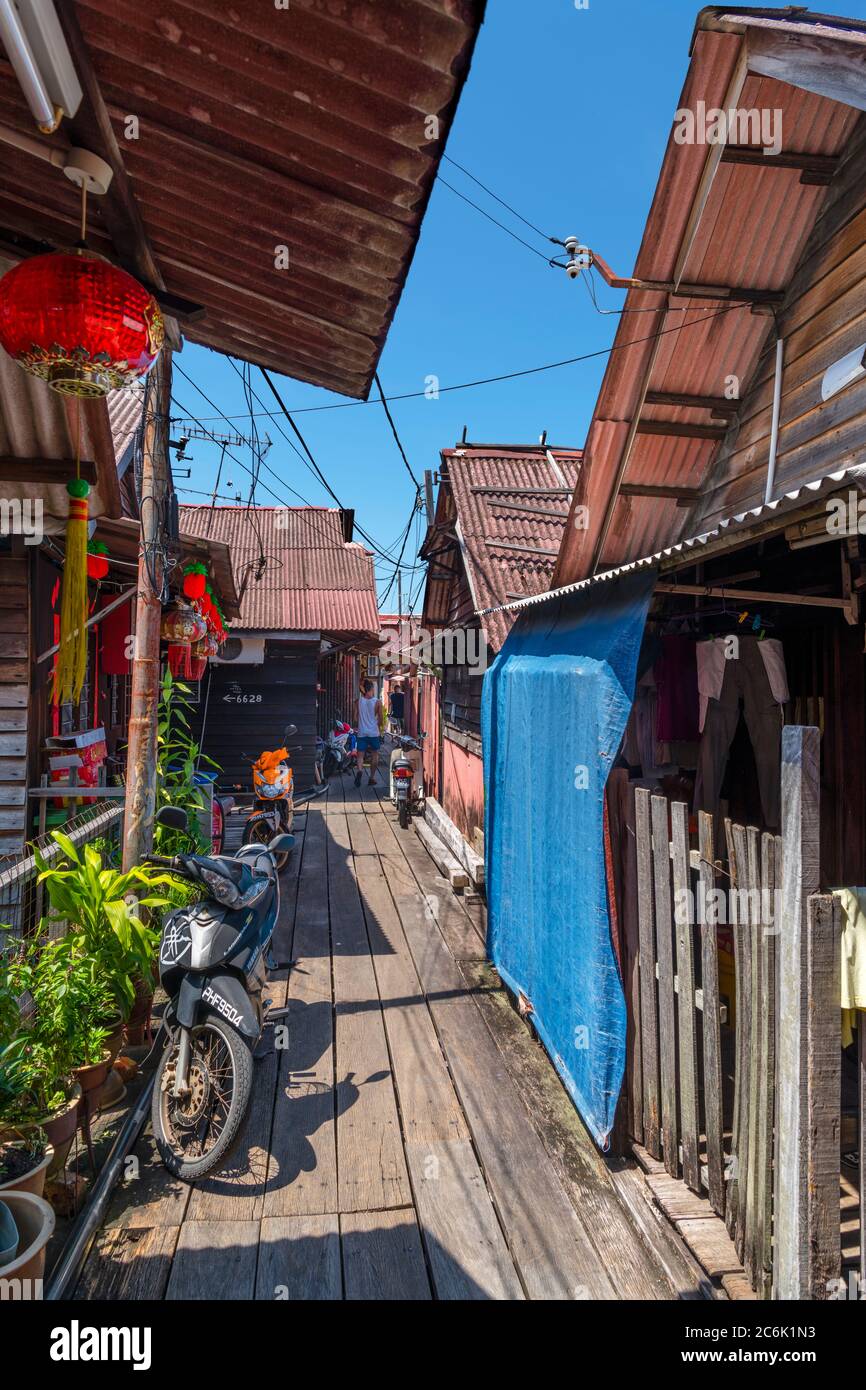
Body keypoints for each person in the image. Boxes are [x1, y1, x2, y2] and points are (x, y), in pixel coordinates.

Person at [354, 678, 382, 787]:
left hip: (362, 732)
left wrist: (361, 721)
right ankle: (372, 778)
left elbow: (355, 718)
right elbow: (380, 719)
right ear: (370, 689)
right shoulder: (377, 702)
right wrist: (377, 727)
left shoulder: (358, 701)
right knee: (375, 754)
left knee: (360, 755)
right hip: (373, 733)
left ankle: (360, 770)